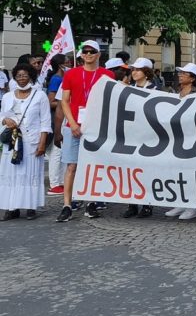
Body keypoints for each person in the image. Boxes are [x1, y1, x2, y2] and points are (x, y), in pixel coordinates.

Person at [56, 40, 115, 223]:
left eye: (92, 51)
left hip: (95, 128)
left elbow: (111, 101)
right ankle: (67, 204)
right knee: (71, 166)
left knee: (93, 167)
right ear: (81, 55)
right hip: (73, 125)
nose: (88, 54)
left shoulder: (107, 75)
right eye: (85, 51)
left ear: (99, 54)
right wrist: (72, 124)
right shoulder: (71, 74)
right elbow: (64, 101)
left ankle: (91, 202)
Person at [0, 63, 51, 220]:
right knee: (11, 174)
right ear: (14, 77)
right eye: (19, 76)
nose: (22, 79)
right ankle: (11, 208)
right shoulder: (8, 97)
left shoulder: (40, 95)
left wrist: (42, 144)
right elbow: (1, 116)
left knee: (30, 174)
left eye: (25, 75)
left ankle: (30, 207)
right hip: (12, 142)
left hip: (32, 142)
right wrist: (6, 120)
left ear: (31, 76)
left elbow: (45, 122)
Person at [163, 63, 196, 221]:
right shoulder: (176, 92)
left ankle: (193, 207)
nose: (180, 75)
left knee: (191, 171)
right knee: (177, 170)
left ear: (192, 78)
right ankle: (181, 202)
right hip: (177, 136)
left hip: (192, 137)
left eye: (184, 73)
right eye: (180, 73)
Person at [122, 58, 157, 219]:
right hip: (131, 134)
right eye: (133, 70)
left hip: (149, 135)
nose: (134, 72)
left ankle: (147, 204)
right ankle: (132, 204)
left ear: (146, 72)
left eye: (138, 70)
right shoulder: (128, 88)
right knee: (131, 169)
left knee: (147, 169)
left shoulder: (156, 89)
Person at [44, 54, 67, 196]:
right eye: (67, 62)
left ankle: (59, 182)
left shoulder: (61, 78)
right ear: (60, 65)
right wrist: (65, 102)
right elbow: (50, 100)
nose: (70, 64)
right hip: (56, 119)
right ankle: (54, 184)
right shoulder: (56, 79)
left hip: (63, 117)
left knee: (61, 151)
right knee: (56, 152)